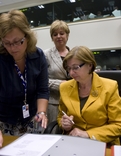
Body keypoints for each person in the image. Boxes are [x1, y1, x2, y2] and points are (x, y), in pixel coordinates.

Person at [0, 9, 49, 144]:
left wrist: (42, 112)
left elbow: (42, 90)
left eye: (17, 41)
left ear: (27, 37)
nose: (12, 48)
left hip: (32, 119)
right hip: (4, 122)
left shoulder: (38, 55)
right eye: (7, 43)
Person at [57, 46, 121, 146]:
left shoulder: (110, 87)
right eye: (69, 68)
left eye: (75, 67)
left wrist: (88, 134)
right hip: (75, 142)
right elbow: (61, 116)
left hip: (104, 143)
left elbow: (118, 125)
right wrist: (64, 124)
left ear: (90, 65)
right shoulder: (64, 87)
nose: (71, 73)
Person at [44, 20, 70, 125]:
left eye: (62, 33)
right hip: (54, 103)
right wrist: (62, 84)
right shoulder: (45, 55)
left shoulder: (75, 54)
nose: (58, 36)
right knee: (53, 133)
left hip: (72, 101)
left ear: (67, 35)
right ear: (52, 38)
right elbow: (41, 81)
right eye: (55, 34)